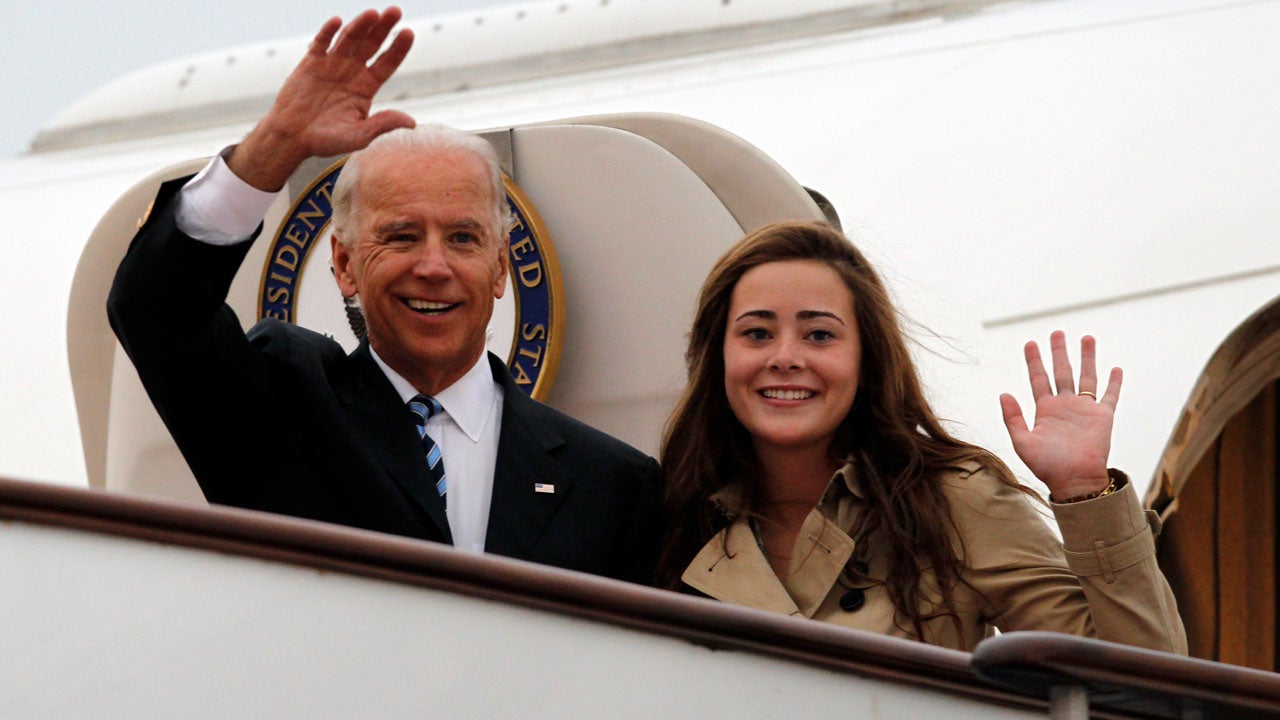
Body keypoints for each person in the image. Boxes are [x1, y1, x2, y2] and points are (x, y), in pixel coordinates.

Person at [107, 7, 660, 583]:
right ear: (344, 265)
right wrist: (274, 147)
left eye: (464, 238)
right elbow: (156, 310)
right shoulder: (284, 411)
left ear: (501, 269)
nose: (433, 266)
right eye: (401, 236)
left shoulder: (612, 484)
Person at [656, 221, 1187, 652]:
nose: (786, 357)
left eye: (819, 334)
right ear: (717, 357)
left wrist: (1083, 493)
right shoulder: (669, 514)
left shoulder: (953, 498)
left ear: (866, 359)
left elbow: (1145, 683)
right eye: (757, 333)